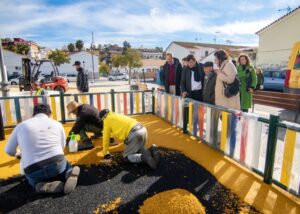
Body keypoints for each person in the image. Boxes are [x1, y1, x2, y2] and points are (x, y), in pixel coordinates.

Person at [5, 104, 80, 194]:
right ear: (50, 114)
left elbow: (9, 150)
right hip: (57, 165)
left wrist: (19, 153)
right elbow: (62, 146)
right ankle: (69, 172)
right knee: (65, 161)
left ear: (34, 114)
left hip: (34, 169)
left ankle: (39, 185)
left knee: (31, 179)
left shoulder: (21, 126)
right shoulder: (57, 124)